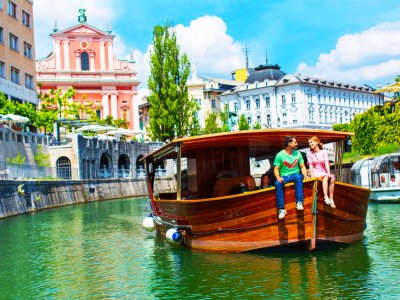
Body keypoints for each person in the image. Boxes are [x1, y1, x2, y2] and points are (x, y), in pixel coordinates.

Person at [274, 136, 309, 220]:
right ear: (289, 143)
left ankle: (299, 202)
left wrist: (306, 176)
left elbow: (302, 167)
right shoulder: (280, 155)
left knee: (298, 177)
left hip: (295, 175)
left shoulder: (298, 154)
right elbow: (276, 169)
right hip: (284, 176)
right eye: (295, 142)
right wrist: (278, 177)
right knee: (277, 183)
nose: (297, 144)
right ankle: (281, 209)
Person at [307, 136, 336, 208]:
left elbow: (326, 163)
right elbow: (310, 165)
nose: (310, 144)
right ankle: (326, 197)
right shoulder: (309, 153)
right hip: (315, 172)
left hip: (324, 171)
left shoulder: (324, 152)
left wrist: (329, 173)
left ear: (316, 142)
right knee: (325, 176)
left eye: (311, 142)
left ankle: (331, 199)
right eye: (309, 143)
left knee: (332, 178)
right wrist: (312, 176)